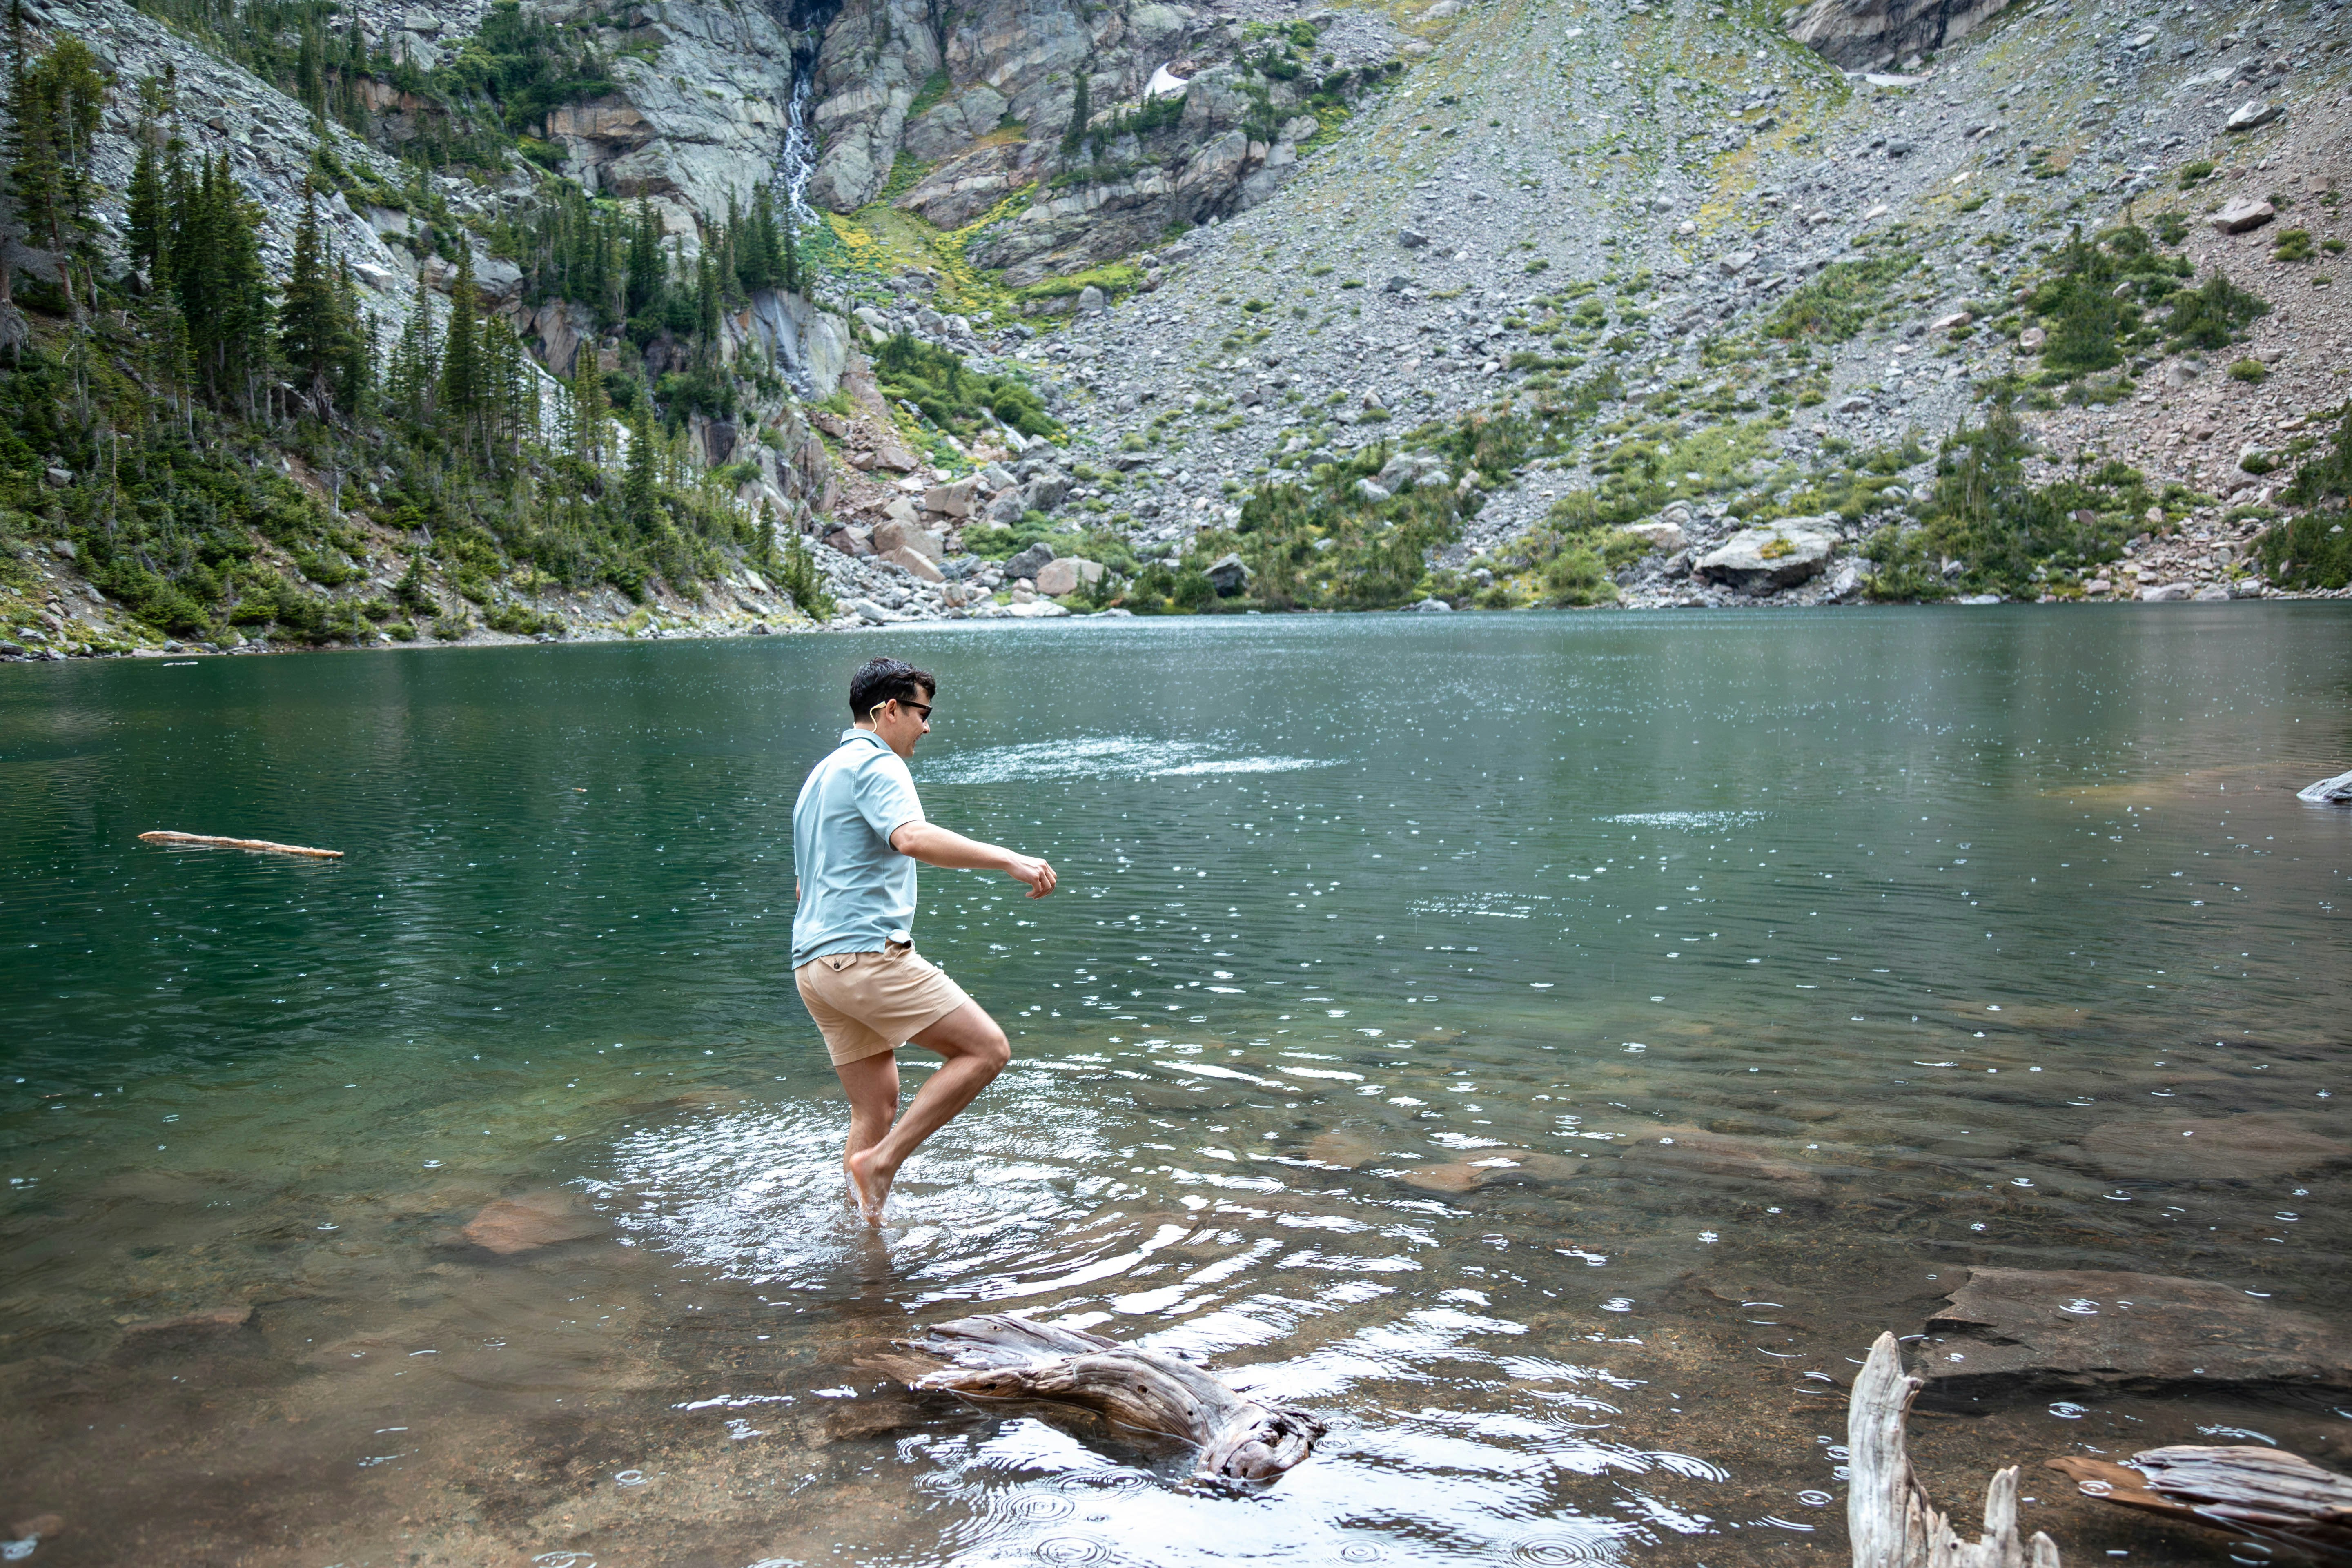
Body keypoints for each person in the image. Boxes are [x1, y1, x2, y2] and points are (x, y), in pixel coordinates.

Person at [791, 657, 1058, 1218]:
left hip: (814, 969)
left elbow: (803, 885)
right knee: (986, 1050)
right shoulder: (877, 764)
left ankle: (861, 1229)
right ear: (889, 711)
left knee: (875, 1107)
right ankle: (882, 1165)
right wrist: (1008, 858)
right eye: (922, 712)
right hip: (861, 956)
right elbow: (910, 836)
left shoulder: (821, 775)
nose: (927, 726)